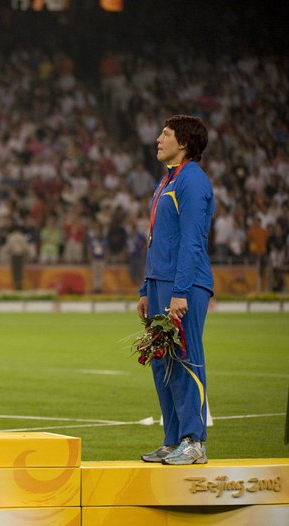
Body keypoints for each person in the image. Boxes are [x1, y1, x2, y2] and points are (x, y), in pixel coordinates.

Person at [137, 115, 214, 466]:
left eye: (164, 134)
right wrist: (145, 287)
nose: (157, 139)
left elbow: (192, 241)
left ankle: (194, 441)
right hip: (159, 282)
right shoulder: (168, 180)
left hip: (183, 285)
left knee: (185, 358)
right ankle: (172, 439)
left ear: (182, 143)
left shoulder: (193, 182)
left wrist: (180, 291)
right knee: (161, 362)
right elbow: (158, 238)